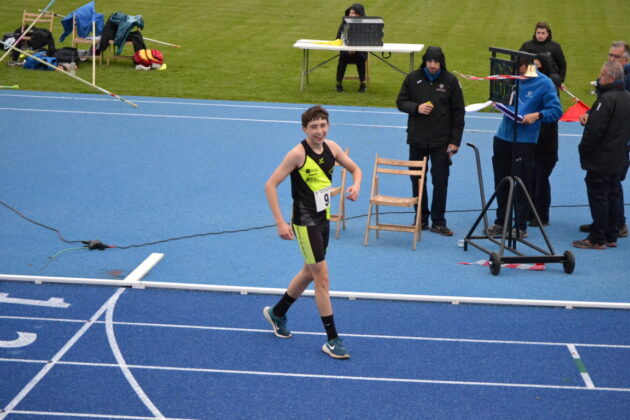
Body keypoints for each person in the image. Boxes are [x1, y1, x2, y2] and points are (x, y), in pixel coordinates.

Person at [263, 105, 362, 359]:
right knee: (322, 277)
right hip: (304, 222)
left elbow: (355, 169)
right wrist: (280, 221)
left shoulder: (332, 148)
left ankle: (278, 312)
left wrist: (356, 185)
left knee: (309, 271)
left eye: (323, 125)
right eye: (314, 127)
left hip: (323, 218)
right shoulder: (297, 154)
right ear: (304, 129)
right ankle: (332, 339)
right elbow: (270, 185)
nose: (320, 131)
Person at [487, 54, 562, 238]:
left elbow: (556, 110)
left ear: (526, 65)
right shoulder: (512, 78)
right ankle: (501, 222)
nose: (514, 71)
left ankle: (520, 226)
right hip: (503, 136)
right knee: (501, 181)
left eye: (517, 67)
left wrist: (537, 115)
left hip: (525, 141)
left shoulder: (544, 83)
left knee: (521, 184)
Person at [395, 46, 465, 236]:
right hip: (417, 139)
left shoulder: (450, 81)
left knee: (440, 181)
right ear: (425, 61)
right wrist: (416, 108)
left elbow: (459, 113)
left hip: (441, 141)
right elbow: (400, 102)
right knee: (417, 180)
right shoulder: (413, 78)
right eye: (429, 61)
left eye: (436, 62)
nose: (432, 65)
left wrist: (455, 142)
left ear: (441, 62)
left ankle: (439, 221)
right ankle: (420, 219)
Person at [573, 61, 630, 249]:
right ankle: (611, 234)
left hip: (602, 156)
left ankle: (597, 237)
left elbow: (595, 130)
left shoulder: (606, 99)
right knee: (613, 192)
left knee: (599, 194)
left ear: (611, 78)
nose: (599, 77)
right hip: (618, 155)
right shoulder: (626, 97)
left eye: (602, 74)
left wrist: (584, 149)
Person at [528, 53, 561, 227]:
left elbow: (552, 113)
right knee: (532, 177)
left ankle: (542, 215)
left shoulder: (550, 82)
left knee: (541, 178)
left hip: (546, 142)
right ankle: (531, 211)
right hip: (534, 139)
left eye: (537, 66)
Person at [520, 21, 567, 89]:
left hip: (550, 78)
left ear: (547, 34)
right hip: (531, 77)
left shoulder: (555, 46)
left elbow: (562, 64)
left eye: (543, 33)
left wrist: (560, 81)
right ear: (535, 33)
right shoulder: (527, 45)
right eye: (538, 33)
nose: (540, 35)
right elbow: (519, 61)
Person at [335, 4, 368, 93]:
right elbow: (338, 38)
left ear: (359, 14)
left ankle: (363, 84)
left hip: (360, 51)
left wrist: (355, 49)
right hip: (346, 51)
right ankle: (338, 83)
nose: (350, 15)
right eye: (350, 13)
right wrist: (347, 48)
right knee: (343, 57)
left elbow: (368, 41)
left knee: (361, 58)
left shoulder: (366, 25)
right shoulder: (344, 23)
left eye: (353, 13)